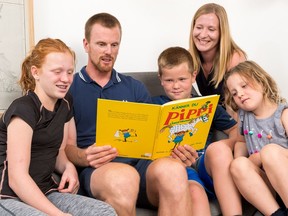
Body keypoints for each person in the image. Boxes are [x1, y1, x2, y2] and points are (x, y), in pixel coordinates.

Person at [65, 13, 194, 216]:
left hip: (143, 167)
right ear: (86, 44)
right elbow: (62, 146)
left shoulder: (134, 87)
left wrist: (176, 153)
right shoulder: (69, 88)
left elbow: (155, 138)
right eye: (101, 44)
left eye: (114, 45)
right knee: (124, 177)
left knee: (174, 170)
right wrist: (83, 156)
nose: (109, 51)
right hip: (99, 170)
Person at [0, 38, 116, 215]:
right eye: (57, 72)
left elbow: (58, 151)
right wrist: (58, 214)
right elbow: (17, 178)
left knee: (103, 211)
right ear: (36, 72)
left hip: (45, 190)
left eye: (69, 72)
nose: (65, 79)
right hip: (8, 195)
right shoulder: (23, 109)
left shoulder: (65, 102)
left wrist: (68, 167)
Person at [152, 46, 242, 215]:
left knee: (219, 150)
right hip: (178, 170)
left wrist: (218, 147)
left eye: (182, 79)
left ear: (193, 76)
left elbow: (236, 131)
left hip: (203, 164)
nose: (176, 86)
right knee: (195, 193)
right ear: (161, 79)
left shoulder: (208, 104)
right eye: (170, 80)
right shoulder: (154, 104)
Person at [224, 60, 288, 216]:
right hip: (266, 185)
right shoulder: (244, 117)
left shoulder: (283, 114)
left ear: (262, 82)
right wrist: (243, 160)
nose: (239, 93)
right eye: (234, 93)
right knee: (238, 164)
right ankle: (276, 213)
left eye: (244, 86)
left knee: (270, 152)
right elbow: (240, 141)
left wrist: (262, 157)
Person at [189, 3, 246, 109]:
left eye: (211, 29)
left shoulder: (234, 58)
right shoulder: (189, 57)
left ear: (221, 32)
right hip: (212, 117)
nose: (202, 35)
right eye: (199, 27)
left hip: (234, 118)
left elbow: (239, 105)